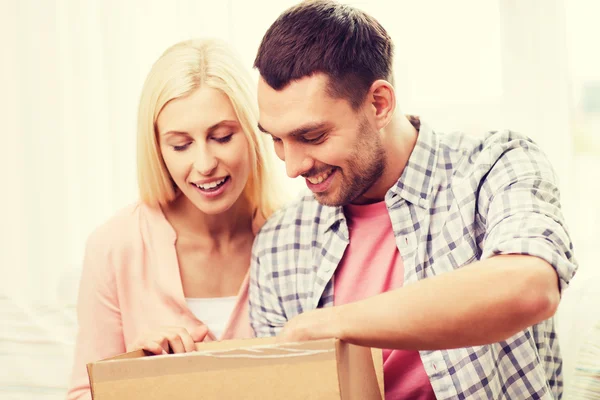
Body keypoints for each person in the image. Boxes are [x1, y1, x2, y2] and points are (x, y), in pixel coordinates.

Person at [248, 1, 578, 399]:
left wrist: (323, 324)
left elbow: (529, 287)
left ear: (379, 104)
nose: (293, 166)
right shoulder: (280, 242)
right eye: (276, 139)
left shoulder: (494, 167)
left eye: (313, 137)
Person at [67, 38, 281, 400]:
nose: (204, 163)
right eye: (180, 145)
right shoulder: (115, 246)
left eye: (222, 136)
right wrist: (132, 377)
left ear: (254, 132)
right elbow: (82, 394)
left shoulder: (298, 238)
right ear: (157, 148)